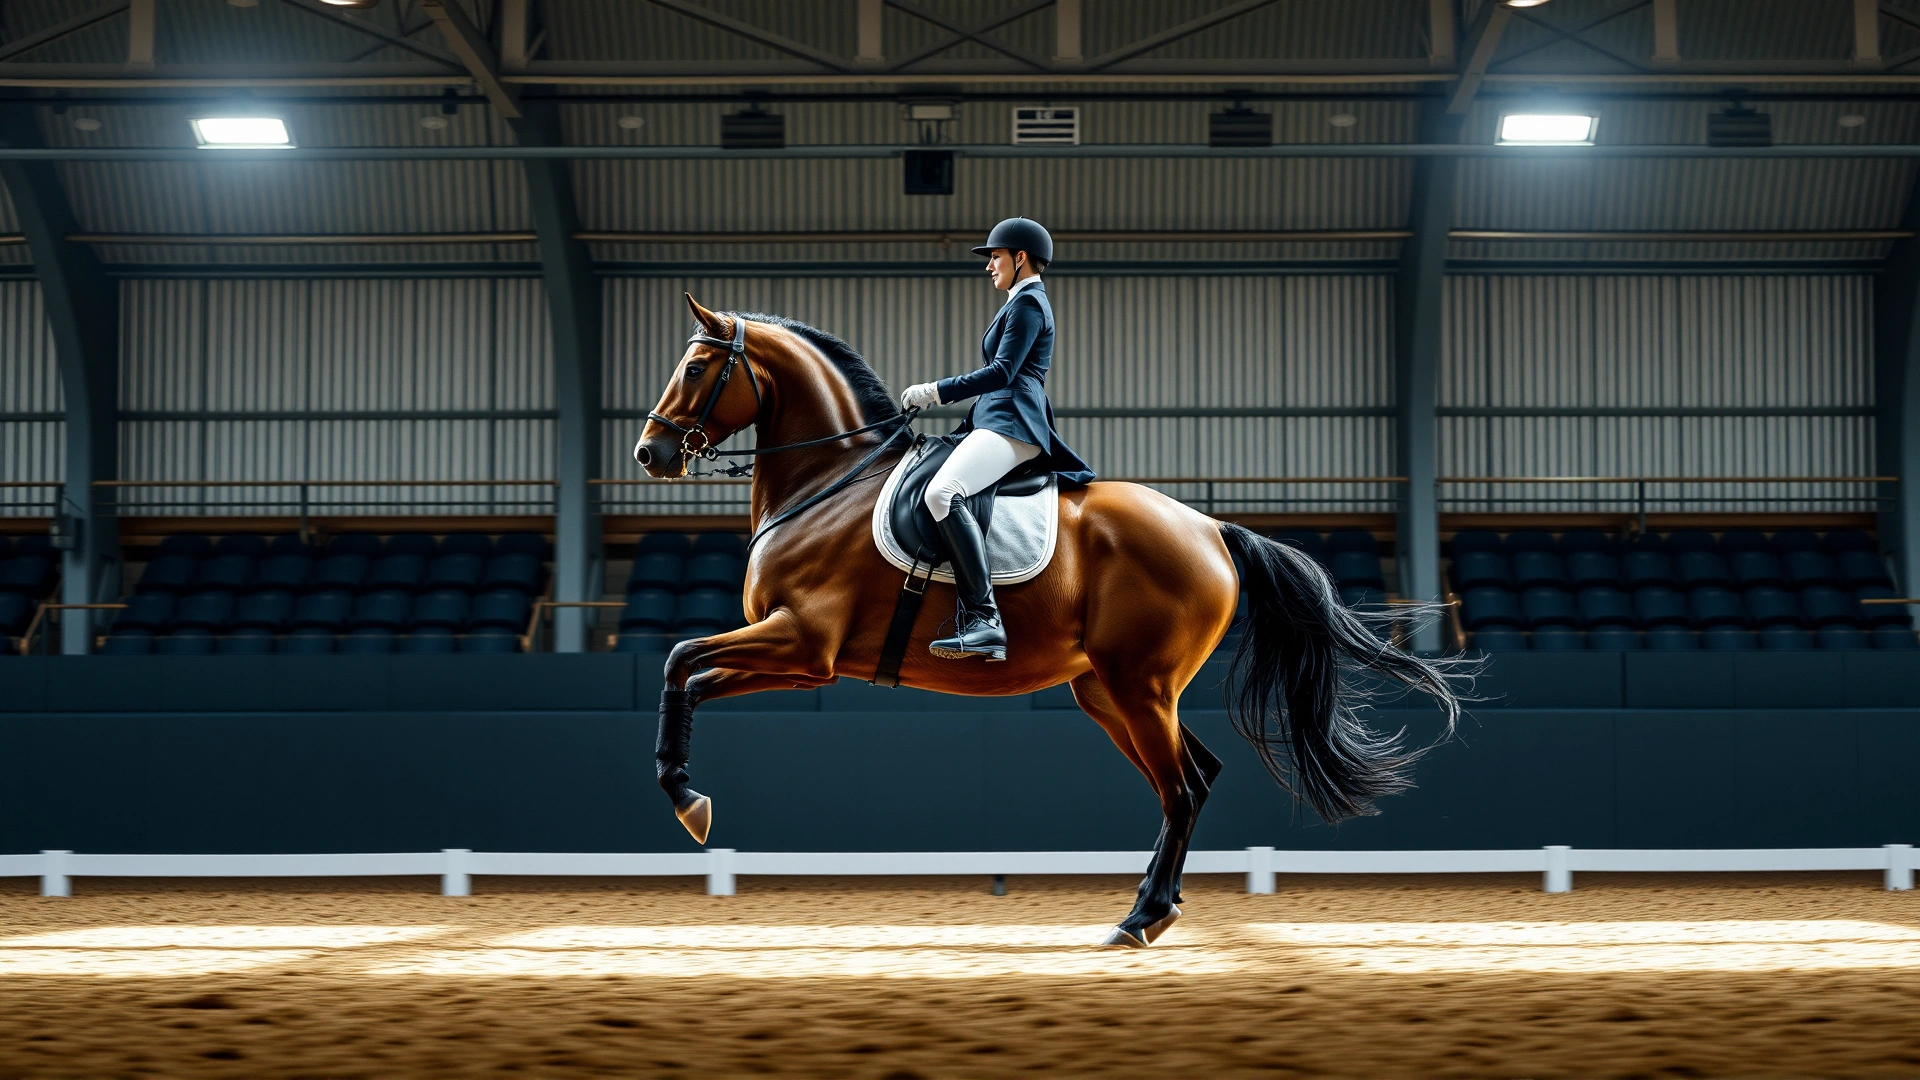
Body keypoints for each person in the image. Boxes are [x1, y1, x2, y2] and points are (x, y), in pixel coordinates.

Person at [900, 216, 1096, 662]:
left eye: (994, 256)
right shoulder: (1017, 302)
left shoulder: (1028, 305)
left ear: (1019, 257)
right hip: (992, 417)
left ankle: (984, 620)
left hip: (1012, 420)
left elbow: (1002, 373)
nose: (989, 265)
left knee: (942, 493)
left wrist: (935, 391)